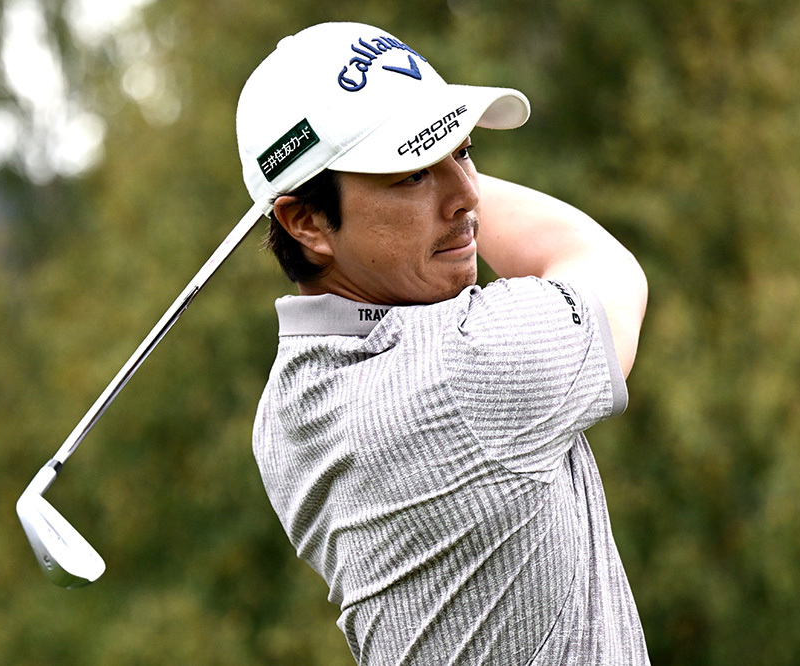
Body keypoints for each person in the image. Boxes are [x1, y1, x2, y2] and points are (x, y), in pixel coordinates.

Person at [237, 22, 649, 665]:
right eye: (410, 174)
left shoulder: (285, 409)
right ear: (307, 221)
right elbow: (605, 267)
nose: (469, 194)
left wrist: (413, 156)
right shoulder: (467, 364)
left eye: (463, 150)